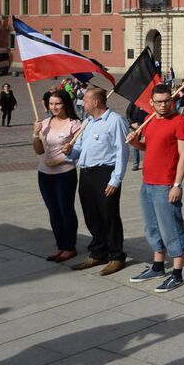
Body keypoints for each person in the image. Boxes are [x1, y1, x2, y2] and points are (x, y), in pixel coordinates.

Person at [125, 84, 184, 292]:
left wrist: (177, 185)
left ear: (171, 101)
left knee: (171, 229)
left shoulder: (180, 122)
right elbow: (149, 146)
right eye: (159, 102)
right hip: (148, 182)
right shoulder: (150, 120)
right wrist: (135, 142)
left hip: (166, 184)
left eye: (166, 101)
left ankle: (177, 274)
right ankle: (157, 266)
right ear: (151, 103)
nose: (163, 105)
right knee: (152, 228)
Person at [64, 88, 131, 275]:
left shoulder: (115, 121)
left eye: (85, 100)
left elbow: (121, 152)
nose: (82, 103)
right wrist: (70, 151)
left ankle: (117, 256)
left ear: (96, 102)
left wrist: (116, 179)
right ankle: (99, 252)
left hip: (105, 173)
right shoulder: (88, 122)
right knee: (91, 215)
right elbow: (79, 149)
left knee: (109, 215)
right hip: (86, 173)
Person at [33, 90, 81, 262]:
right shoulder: (44, 123)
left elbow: (79, 151)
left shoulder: (74, 124)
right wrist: (35, 134)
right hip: (44, 174)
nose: (54, 107)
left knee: (65, 210)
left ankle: (70, 246)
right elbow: (39, 150)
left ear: (66, 104)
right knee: (53, 211)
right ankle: (61, 245)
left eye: (57, 103)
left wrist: (61, 159)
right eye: (51, 104)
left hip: (65, 174)